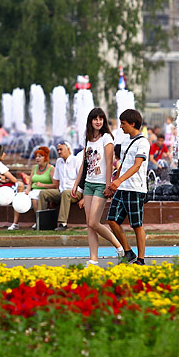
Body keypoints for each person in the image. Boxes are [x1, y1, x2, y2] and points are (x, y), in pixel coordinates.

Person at [71, 108, 124, 266]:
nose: (98, 121)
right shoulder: (87, 138)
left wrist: (108, 185)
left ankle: (119, 246)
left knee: (94, 222)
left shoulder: (107, 138)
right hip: (88, 184)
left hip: (101, 184)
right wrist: (76, 185)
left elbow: (109, 163)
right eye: (95, 119)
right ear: (91, 121)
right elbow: (84, 163)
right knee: (89, 224)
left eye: (101, 118)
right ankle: (93, 259)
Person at [106, 109, 151, 265]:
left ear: (133, 124)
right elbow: (123, 165)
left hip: (135, 189)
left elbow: (137, 165)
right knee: (111, 220)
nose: (121, 126)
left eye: (123, 123)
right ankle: (128, 252)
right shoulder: (125, 142)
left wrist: (119, 181)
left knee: (137, 225)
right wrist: (114, 183)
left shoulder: (143, 142)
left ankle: (141, 259)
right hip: (122, 188)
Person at [38, 142, 84, 230]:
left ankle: (62, 223)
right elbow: (57, 181)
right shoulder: (59, 161)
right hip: (62, 191)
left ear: (68, 150)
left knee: (66, 193)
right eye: (58, 149)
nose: (59, 152)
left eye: (61, 149)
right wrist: (54, 197)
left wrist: (84, 198)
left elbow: (83, 179)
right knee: (43, 193)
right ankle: (42, 222)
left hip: (75, 192)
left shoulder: (76, 161)